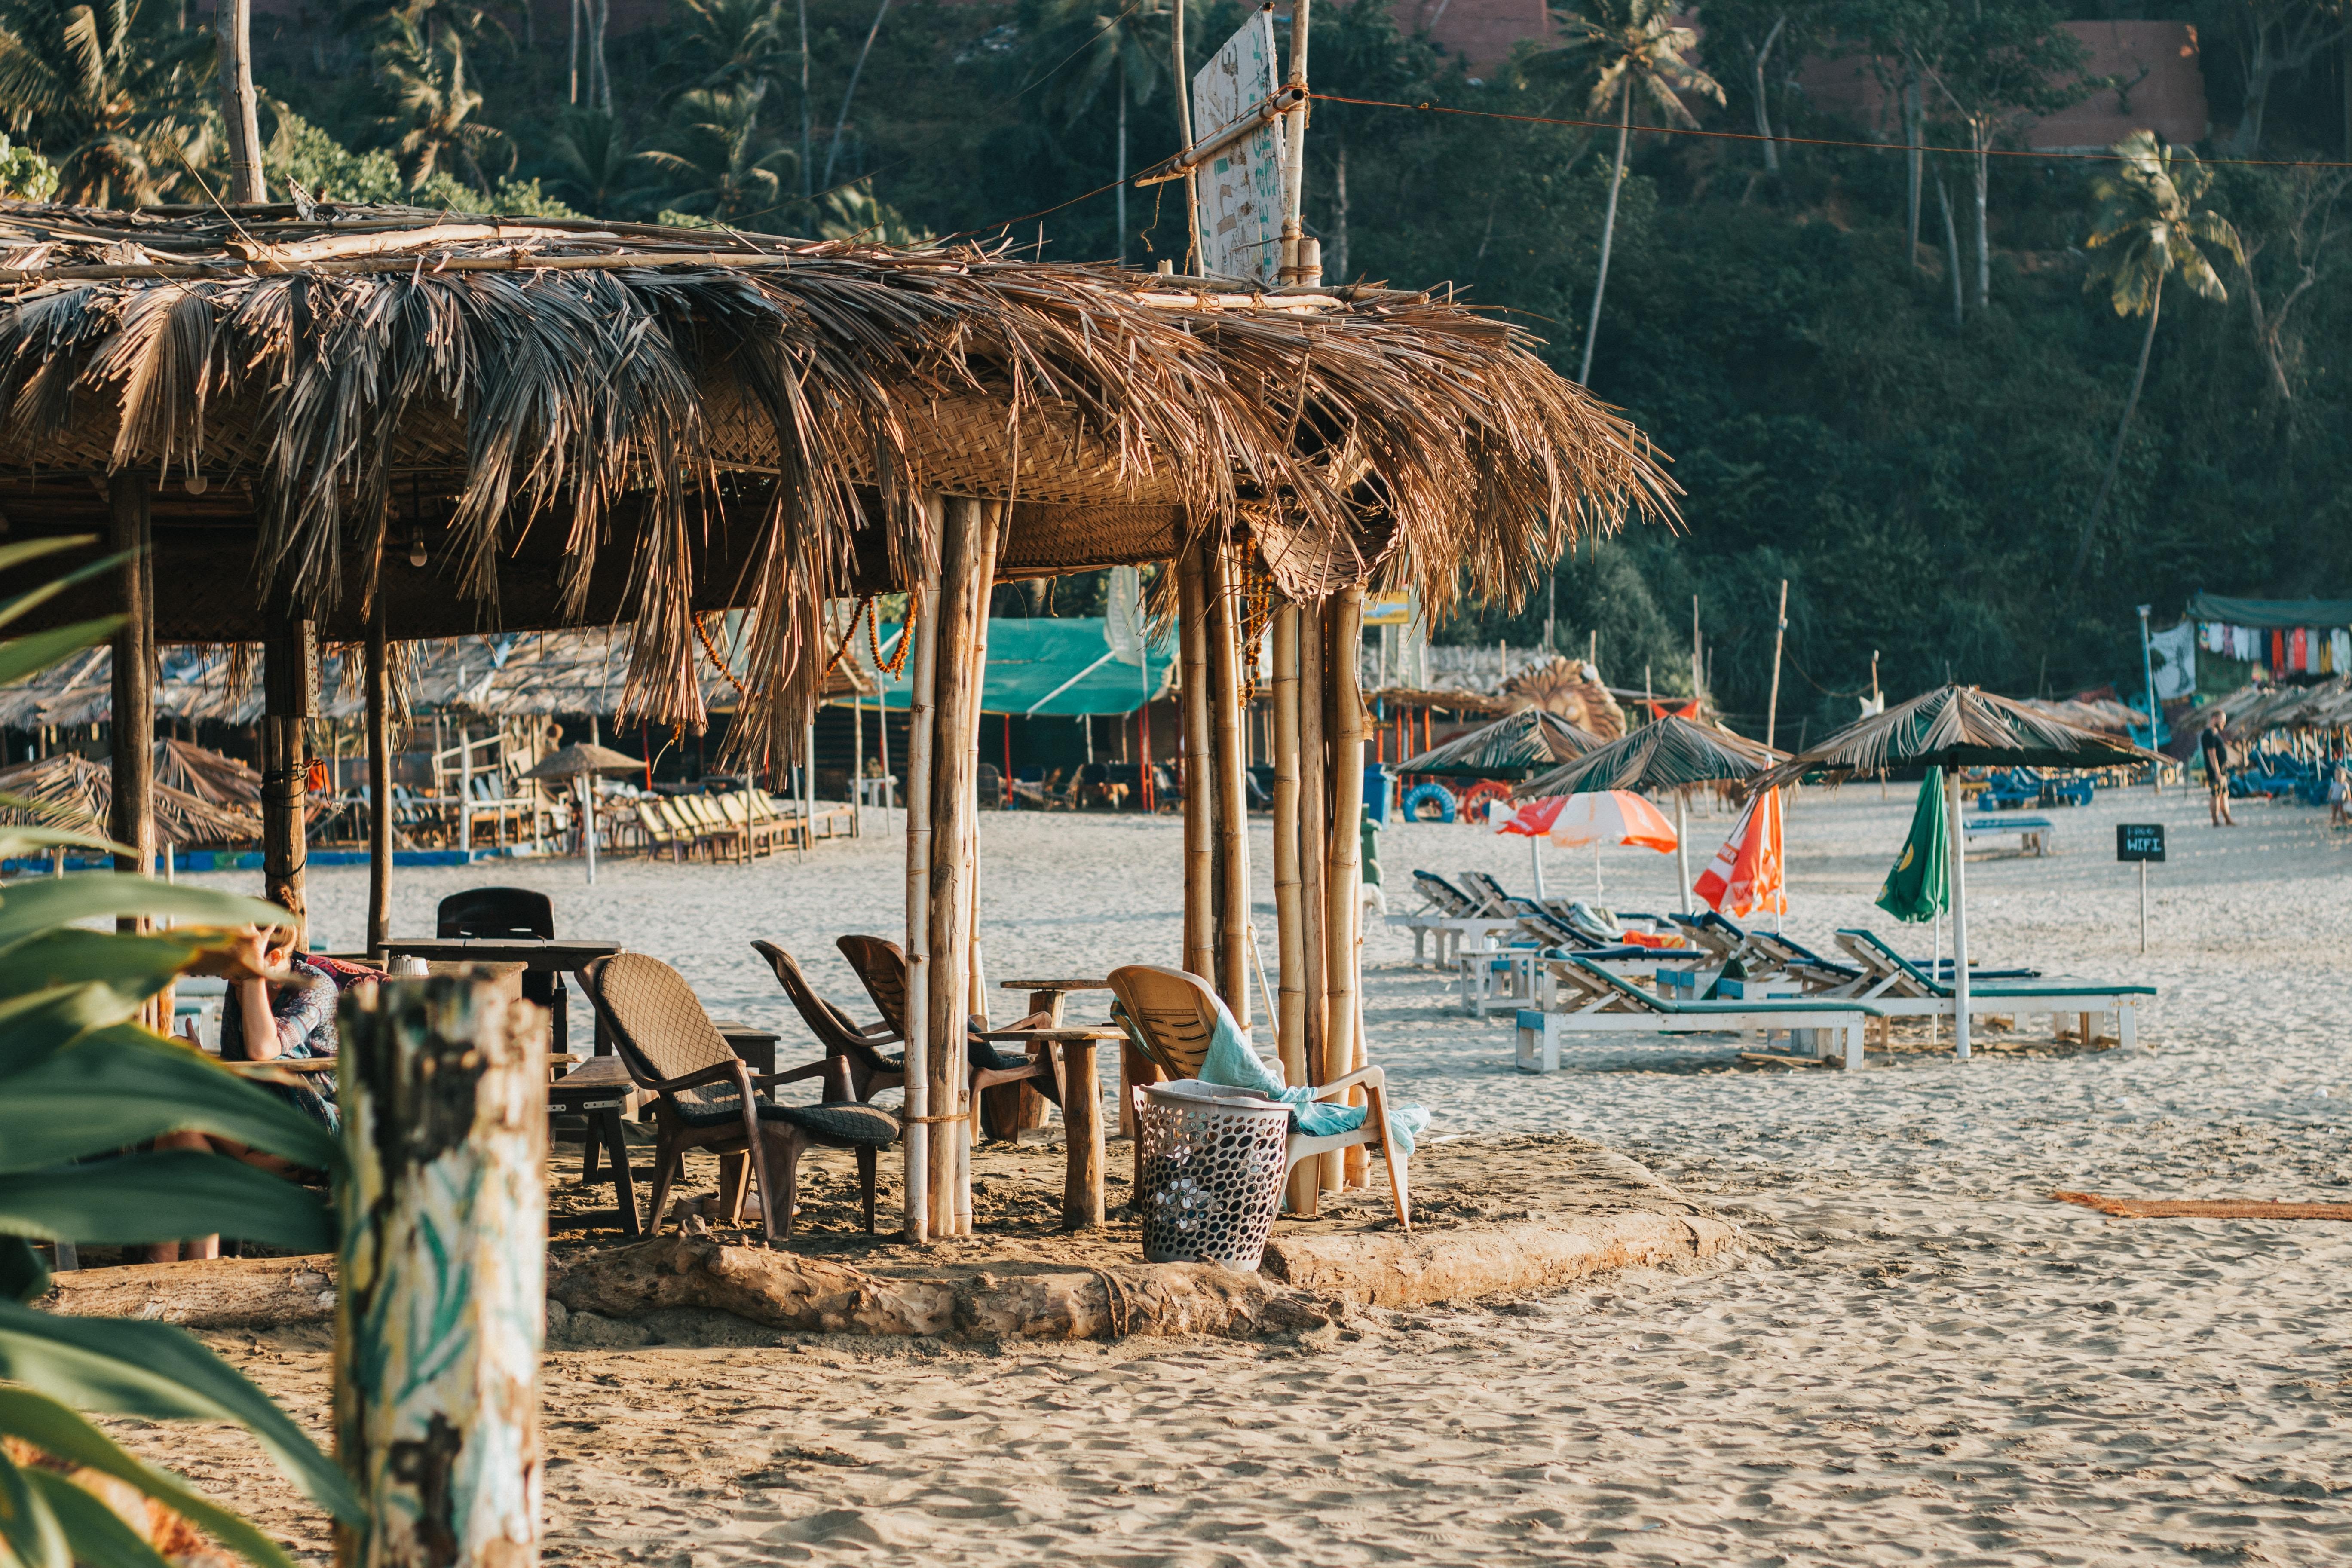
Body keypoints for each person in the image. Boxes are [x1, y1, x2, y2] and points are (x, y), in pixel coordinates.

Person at [145, 926, 341, 1263]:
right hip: (256, 1121)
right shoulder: (237, 986)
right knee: (186, 1132)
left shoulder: (314, 988)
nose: (224, 974)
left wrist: (252, 977)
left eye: (234, 967)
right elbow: (244, 1070)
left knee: (179, 1123)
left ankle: (167, 1261)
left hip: (312, 1134)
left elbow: (263, 1048)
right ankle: (195, 1266)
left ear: (275, 957)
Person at [2199, 717, 2236, 827]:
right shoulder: (2209, 734)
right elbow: (2212, 754)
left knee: (2224, 794)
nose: (2224, 723)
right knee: (2215, 794)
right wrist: (2217, 772)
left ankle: (2228, 819)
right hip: (2216, 772)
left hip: (2221, 771)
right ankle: (2215, 821)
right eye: (2222, 720)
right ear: (2215, 719)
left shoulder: (2214, 733)